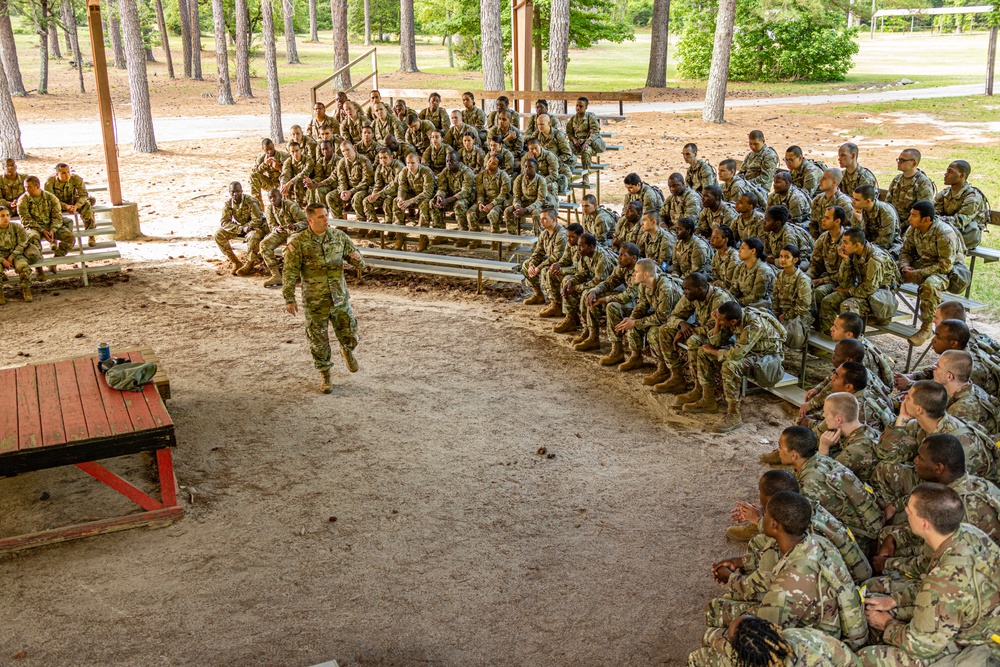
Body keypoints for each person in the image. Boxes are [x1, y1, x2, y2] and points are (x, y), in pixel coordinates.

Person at [704, 490, 867, 649]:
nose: (762, 517)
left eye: (765, 514)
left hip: (814, 644)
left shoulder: (789, 583)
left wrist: (731, 579)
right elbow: (771, 564)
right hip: (823, 621)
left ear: (774, 524)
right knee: (731, 598)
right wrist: (740, 564)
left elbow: (763, 636)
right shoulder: (817, 542)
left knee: (714, 614)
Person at [859, 483, 1000, 667]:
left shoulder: (943, 581)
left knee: (867, 657)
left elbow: (920, 645)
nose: (906, 514)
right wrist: (894, 600)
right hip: (977, 618)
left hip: (980, 647)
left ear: (925, 524)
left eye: (909, 513)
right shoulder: (968, 533)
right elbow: (936, 588)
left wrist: (887, 624)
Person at [871, 435, 1000, 582]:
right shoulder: (976, 484)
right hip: (981, 555)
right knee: (889, 533)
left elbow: (930, 564)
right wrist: (895, 537)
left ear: (938, 468)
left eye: (921, 458)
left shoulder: (953, 506)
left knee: (875, 584)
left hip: (976, 574)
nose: (915, 461)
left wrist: (886, 564)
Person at [722, 469, 872, 581]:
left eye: (760, 491)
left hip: (846, 580)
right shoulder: (805, 506)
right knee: (758, 541)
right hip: (854, 568)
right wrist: (763, 514)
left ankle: (753, 575)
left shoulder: (798, 530)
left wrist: (759, 520)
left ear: (770, 498)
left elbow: (788, 551)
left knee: (768, 546)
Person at [282, 204, 364, 394]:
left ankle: (347, 349)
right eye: (321, 217)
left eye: (326, 216)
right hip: (315, 301)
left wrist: (358, 259)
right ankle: (325, 376)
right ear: (310, 220)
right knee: (318, 340)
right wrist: (289, 297)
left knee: (350, 333)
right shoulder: (299, 243)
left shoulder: (339, 237)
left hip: (339, 297)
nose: (326, 219)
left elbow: (358, 260)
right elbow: (289, 272)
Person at [872, 381, 995, 503]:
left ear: (919, 410)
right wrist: (902, 419)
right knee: (885, 467)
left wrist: (899, 504)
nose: (904, 399)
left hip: (966, 495)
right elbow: (885, 454)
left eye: (908, 398)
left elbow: (955, 489)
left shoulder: (958, 443)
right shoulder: (921, 424)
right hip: (936, 477)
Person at [779, 425, 884, 556]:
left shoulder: (808, 485)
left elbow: (796, 527)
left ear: (794, 455)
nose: (778, 450)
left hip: (855, 544)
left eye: (780, 447)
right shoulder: (823, 460)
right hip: (865, 527)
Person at [686, 301, 786, 432]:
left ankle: (734, 415)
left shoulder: (754, 325)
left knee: (730, 366)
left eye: (721, 321)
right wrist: (717, 322)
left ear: (732, 322)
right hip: (748, 351)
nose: (720, 322)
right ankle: (708, 399)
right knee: (703, 353)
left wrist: (714, 351)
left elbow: (735, 355)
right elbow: (715, 342)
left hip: (765, 357)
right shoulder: (733, 318)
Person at [899, 200, 970, 347]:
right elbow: (905, 251)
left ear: (926, 219)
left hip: (947, 271)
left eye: (913, 216)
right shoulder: (913, 229)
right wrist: (905, 266)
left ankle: (926, 328)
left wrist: (917, 274)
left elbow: (945, 266)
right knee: (889, 273)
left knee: (930, 285)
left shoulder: (944, 233)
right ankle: (881, 311)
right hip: (924, 264)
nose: (909, 219)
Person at [653, 272, 732, 394]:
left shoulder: (719, 299)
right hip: (703, 331)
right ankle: (677, 377)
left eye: (687, 289)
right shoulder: (693, 295)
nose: (684, 292)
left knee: (693, 340)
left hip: (721, 337)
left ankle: (700, 388)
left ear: (699, 289)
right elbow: (673, 316)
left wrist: (690, 331)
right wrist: (681, 324)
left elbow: (714, 329)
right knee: (665, 329)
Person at [689, 614, 861, 667]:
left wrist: (712, 638)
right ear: (771, 628)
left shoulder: (747, 660)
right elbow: (846, 657)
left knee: (698, 657)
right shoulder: (797, 636)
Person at [817, 227, 897, 333]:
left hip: (880, 297)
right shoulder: (854, 254)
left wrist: (848, 291)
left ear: (857, 245)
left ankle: (852, 341)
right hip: (863, 290)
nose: (842, 246)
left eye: (845, 243)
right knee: (828, 301)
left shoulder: (875, 259)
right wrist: (845, 260)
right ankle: (829, 336)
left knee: (848, 306)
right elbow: (845, 283)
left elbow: (869, 289)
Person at [614, 258, 682, 379]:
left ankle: (666, 370)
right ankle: (636, 357)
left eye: (636, 272)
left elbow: (662, 318)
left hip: (680, 321)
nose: (633, 274)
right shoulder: (643, 284)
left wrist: (634, 322)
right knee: (634, 323)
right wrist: (631, 318)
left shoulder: (665, 288)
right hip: (664, 316)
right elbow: (642, 305)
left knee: (653, 332)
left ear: (645, 274)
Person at [898, 319, 999, 399]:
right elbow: (939, 369)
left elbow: (945, 394)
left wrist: (910, 384)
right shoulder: (957, 353)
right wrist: (913, 376)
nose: (933, 339)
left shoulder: (970, 368)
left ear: (953, 343)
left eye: (938, 337)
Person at [574, 243, 641, 353]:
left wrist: (604, 299)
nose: (619, 258)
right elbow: (609, 282)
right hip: (633, 299)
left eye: (623, 255)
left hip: (643, 303)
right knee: (590, 296)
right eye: (619, 254)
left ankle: (617, 350)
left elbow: (628, 296)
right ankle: (592, 336)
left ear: (633, 258)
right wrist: (595, 291)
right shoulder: (623, 267)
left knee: (612, 306)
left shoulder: (640, 269)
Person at [554, 233, 616, 334]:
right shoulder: (584, 253)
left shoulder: (602, 258)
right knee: (567, 281)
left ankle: (591, 332)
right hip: (599, 284)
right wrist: (571, 282)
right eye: (578, 245)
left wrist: (575, 288)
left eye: (581, 246)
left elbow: (598, 281)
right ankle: (571, 319)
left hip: (612, 287)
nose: (578, 249)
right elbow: (583, 273)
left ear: (591, 247)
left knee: (586, 294)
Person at [818, 391, 881, 483]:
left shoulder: (852, 453)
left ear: (838, 419)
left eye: (826, 414)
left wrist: (823, 448)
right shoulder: (868, 430)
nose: (823, 415)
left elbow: (825, 478)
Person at [935, 350, 998, 433]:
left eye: (937, 366)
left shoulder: (960, 411)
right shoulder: (973, 388)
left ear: (949, 376)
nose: (934, 369)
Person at [18, 175, 73, 270]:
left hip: (50, 225)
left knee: (69, 238)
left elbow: (57, 216)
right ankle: (39, 269)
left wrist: (52, 229)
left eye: (29, 187)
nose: (26, 189)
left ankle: (55, 262)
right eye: (25, 187)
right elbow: (26, 220)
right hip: (33, 227)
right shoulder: (23, 200)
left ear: (37, 186)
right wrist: (42, 230)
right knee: (33, 238)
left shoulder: (51, 198)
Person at [934, 159, 990, 250]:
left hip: (966, 235)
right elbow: (934, 212)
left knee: (935, 243)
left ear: (962, 175)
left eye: (950, 171)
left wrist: (934, 220)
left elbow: (960, 221)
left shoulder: (973, 197)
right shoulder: (945, 193)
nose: (945, 174)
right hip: (947, 231)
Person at [260, 188, 308, 288]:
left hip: (295, 232)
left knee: (290, 248)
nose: (272, 199)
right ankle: (275, 274)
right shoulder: (269, 209)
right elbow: (271, 225)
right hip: (281, 232)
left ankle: (291, 274)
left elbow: (305, 221)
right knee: (264, 244)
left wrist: (295, 226)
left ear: (280, 197)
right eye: (270, 198)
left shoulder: (290, 206)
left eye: (274, 197)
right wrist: (276, 229)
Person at [215, 181, 265, 275]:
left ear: (241, 191)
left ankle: (250, 264)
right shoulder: (228, 204)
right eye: (232, 192)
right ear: (229, 192)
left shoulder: (251, 202)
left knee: (254, 236)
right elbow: (224, 222)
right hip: (241, 228)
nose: (235, 194)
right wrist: (240, 228)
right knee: (219, 234)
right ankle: (235, 262)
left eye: (237, 191)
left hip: (254, 228)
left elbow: (257, 220)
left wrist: (246, 228)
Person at [522, 207, 567, 307]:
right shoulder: (544, 234)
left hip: (561, 264)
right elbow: (538, 252)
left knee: (545, 270)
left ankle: (556, 304)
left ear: (554, 219)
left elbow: (556, 257)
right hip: (550, 261)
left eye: (545, 219)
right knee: (526, 264)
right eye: (541, 219)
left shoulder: (561, 235)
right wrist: (532, 264)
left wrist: (539, 267)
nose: (541, 221)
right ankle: (538, 295)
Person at [808, 205, 848, 316]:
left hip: (842, 281)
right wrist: (807, 277)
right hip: (827, 277)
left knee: (819, 293)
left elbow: (845, 272)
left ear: (837, 221)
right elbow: (815, 264)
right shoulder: (823, 238)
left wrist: (821, 280)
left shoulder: (846, 242)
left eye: (827, 218)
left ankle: (822, 327)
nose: (823, 220)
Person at [391, 152, 436, 251]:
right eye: (408, 163)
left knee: (425, 204)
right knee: (395, 201)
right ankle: (400, 234)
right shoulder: (404, 171)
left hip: (426, 197)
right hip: (414, 194)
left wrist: (410, 201)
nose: (410, 166)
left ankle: (423, 237)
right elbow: (402, 187)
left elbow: (427, 193)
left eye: (413, 163)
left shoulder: (426, 172)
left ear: (418, 162)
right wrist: (400, 198)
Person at [539, 223, 584, 319]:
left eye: (572, 237)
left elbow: (582, 270)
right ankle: (556, 304)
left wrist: (561, 270)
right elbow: (565, 259)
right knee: (548, 270)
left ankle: (571, 317)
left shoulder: (584, 247)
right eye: (567, 236)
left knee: (566, 279)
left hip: (584, 274)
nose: (568, 239)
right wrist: (558, 265)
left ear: (580, 236)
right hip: (576, 270)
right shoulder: (570, 244)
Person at [772, 244, 812, 351]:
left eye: (786, 257)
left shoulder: (802, 279)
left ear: (795, 260)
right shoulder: (779, 275)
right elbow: (775, 298)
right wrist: (775, 314)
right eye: (781, 256)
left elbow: (804, 305)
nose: (782, 260)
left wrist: (785, 316)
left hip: (798, 316)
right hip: (782, 314)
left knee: (783, 333)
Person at [45, 163, 95, 245]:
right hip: (58, 203)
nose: (67, 175)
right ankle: (53, 239)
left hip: (73, 201)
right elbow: (50, 199)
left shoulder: (76, 178)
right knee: (48, 209)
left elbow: (83, 195)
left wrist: (76, 206)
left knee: (87, 204)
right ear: (57, 174)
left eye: (68, 172)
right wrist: (65, 206)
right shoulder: (50, 181)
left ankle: (91, 234)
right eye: (63, 173)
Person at [431, 151, 475, 242]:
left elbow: (466, 191)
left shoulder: (467, 172)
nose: (449, 163)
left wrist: (447, 200)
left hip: (467, 199)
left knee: (459, 205)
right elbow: (442, 187)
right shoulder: (446, 171)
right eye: (447, 161)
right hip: (450, 199)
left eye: (451, 161)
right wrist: (439, 196)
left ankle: (463, 235)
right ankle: (440, 234)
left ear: (458, 161)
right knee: (433, 203)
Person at [505, 158, 554, 237]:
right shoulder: (519, 179)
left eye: (530, 167)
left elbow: (541, 200)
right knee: (508, 211)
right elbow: (516, 196)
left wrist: (526, 209)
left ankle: (538, 239)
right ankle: (513, 238)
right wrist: (517, 207)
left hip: (538, 205)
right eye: (525, 166)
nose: (527, 169)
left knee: (536, 214)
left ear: (536, 169)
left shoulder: (540, 180)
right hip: (524, 203)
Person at [328, 140, 374, 224]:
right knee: (330, 197)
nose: (346, 153)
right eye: (343, 151)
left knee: (357, 197)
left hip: (363, 190)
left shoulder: (364, 160)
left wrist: (351, 191)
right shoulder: (342, 162)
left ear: (353, 148)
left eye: (347, 150)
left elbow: (367, 181)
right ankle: (340, 223)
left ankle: (362, 223)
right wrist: (343, 191)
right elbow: (342, 180)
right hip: (348, 189)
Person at [886, 148, 935, 224]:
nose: (898, 162)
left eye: (902, 160)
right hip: (892, 221)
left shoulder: (923, 183)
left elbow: (922, 212)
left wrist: (903, 225)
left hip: (911, 224)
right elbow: (888, 204)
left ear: (914, 164)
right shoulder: (897, 179)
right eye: (898, 160)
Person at [852, 184, 901, 258]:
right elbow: (856, 236)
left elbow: (885, 242)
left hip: (889, 249)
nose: (853, 202)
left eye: (857, 200)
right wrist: (860, 221)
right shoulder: (859, 210)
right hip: (866, 246)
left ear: (868, 201)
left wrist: (864, 249)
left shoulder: (886, 213)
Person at [0, 205, 36, 304]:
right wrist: (3, 260)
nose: (6, 218)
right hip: (1, 256)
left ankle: (26, 290)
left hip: (16, 254)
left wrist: (12, 256)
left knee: (23, 266)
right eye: (2, 216)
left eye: (7, 215)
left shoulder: (16, 227)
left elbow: (23, 242)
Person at [564, 97, 605, 180]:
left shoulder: (590, 117)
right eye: (577, 105)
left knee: (586, 152)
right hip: (577, 143)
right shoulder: (573, 119)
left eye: (581, 106)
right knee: (566, 149)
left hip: (589, 142)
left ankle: (585, 176)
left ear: (586, 107)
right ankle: (567, 173)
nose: (578, 108)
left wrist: (587, 142)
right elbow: (569, 132)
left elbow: (595, 132)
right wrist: (574, 140)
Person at [761, 205, 812, 271]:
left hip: (800, 262)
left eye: (767, 220)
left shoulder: (788, 236)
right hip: (781, 260)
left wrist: (771, 260)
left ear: (777, 223)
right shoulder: (771, 232)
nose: (764, 222)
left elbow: (790, 260)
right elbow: (767, 253)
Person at [474, 153, 511, 242]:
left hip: (498, 203)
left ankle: (495, 241)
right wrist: (480, 203)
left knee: (492, 214)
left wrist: (492, 204)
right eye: (489, 161)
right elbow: (480, 192)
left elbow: (503, 194)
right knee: (470, 213)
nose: (489, 164)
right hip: (485, 201)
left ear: (499, 166)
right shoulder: (481, 175)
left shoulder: (503, 176)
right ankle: (476, 240)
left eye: (493, 163)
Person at [729, 238, 775, 309]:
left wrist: (736, 302)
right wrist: (729, 300)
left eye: (743, 248)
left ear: (753, 251)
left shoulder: (763, 270)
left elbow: (756, 297)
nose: (739, 250)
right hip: (744, 302)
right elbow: (734, 289)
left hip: (759, 305)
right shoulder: (740, 267)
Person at [363, 148, 404, 226]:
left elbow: (395, 185)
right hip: (385, 193)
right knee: (367, 201)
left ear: (391, 157)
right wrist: (374, 194)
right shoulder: (380, 167)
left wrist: (378, 194)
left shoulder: (398, 166)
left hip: (398, 193)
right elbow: (378, 184)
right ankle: (375, 226)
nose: (382, 160)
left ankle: (390, 226)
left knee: (387, 202)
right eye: (380, 158)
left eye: (385, 157)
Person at [809, 168, 854, 239]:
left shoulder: (844, 203)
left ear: (834, 182)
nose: (820, 181)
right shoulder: (818, 199)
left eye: (824, 179)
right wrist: (817, 240)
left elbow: (850, 228)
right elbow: (813, 223)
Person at [533, 114, 575, 183]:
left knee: (564, 178)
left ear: (549, 123)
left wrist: (555, 160)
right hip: (541, 165)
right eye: (538, 125)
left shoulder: (558, 135)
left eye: (542, 124)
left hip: (556, 165)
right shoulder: (536, 135)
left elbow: (567, 153)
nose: (540, 127)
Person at [250, 138, 288, 207]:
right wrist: (264, 164)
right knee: (253, 176)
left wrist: (279, 168)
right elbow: (254, 171)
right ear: (263, 149)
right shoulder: (262, 158)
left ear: (273, 146)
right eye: (267, 150)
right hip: (270, 183)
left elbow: (291, 172)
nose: (270, 152)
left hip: (282, 184)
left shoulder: (283, 156)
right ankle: (259, 207)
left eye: (271, 148)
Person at [305, 139, 339, 208]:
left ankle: (321, 211)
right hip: (324, 184)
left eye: (327, 148)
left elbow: (333, 178)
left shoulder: (338, 161)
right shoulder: (321, 161)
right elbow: (319, 176)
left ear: (332, 148)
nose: (325, 151)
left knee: (319, 190)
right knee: (310, 189)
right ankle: (312, 210)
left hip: (335, 185)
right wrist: (312, 182)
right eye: (323, 149)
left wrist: (317, 185)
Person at [279, 142, 314, 208]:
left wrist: (290, 183)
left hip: (308, 182)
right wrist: (282, 184)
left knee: (297, 184)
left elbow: (303, 174)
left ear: (300, 150)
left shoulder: (308, 160)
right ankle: (288, 208)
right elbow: (286, 173)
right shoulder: (288, 161)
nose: (295, 154)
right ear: (289, 152)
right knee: (284, 188)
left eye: (297, 151)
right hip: (294, 183)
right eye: (292, 151)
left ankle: (300, 208)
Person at [709, 225, 740, 292]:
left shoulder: (734, 257)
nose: (711, 240)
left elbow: (730, 284)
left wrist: (715, 284)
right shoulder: (716, 254)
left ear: (725, 240)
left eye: (716, 238)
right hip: (720, 288)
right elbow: (715, 277)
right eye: (712, 237)